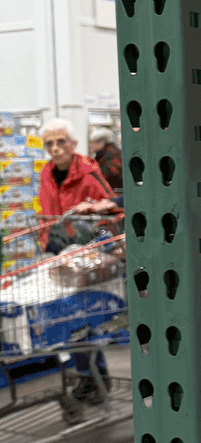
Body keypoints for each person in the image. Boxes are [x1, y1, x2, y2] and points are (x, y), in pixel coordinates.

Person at [38, 118, 117, 402]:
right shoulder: (46, 174)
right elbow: (46, 212)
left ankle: (97, 377)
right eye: (50, 143)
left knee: (82, 318)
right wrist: (47, 244)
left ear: (73, 144)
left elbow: (110, 211)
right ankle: (86, 377)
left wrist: (97, 244)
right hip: (57, 252)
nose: (55, 148)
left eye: (61, 142)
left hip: (85, 255)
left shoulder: (89, 173)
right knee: (67, 318)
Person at [88, 126, 123, 191]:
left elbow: (109, 177)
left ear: (101, 142)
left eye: (92, 143)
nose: (90, 145)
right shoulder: (108, 153)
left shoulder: (109, 156)